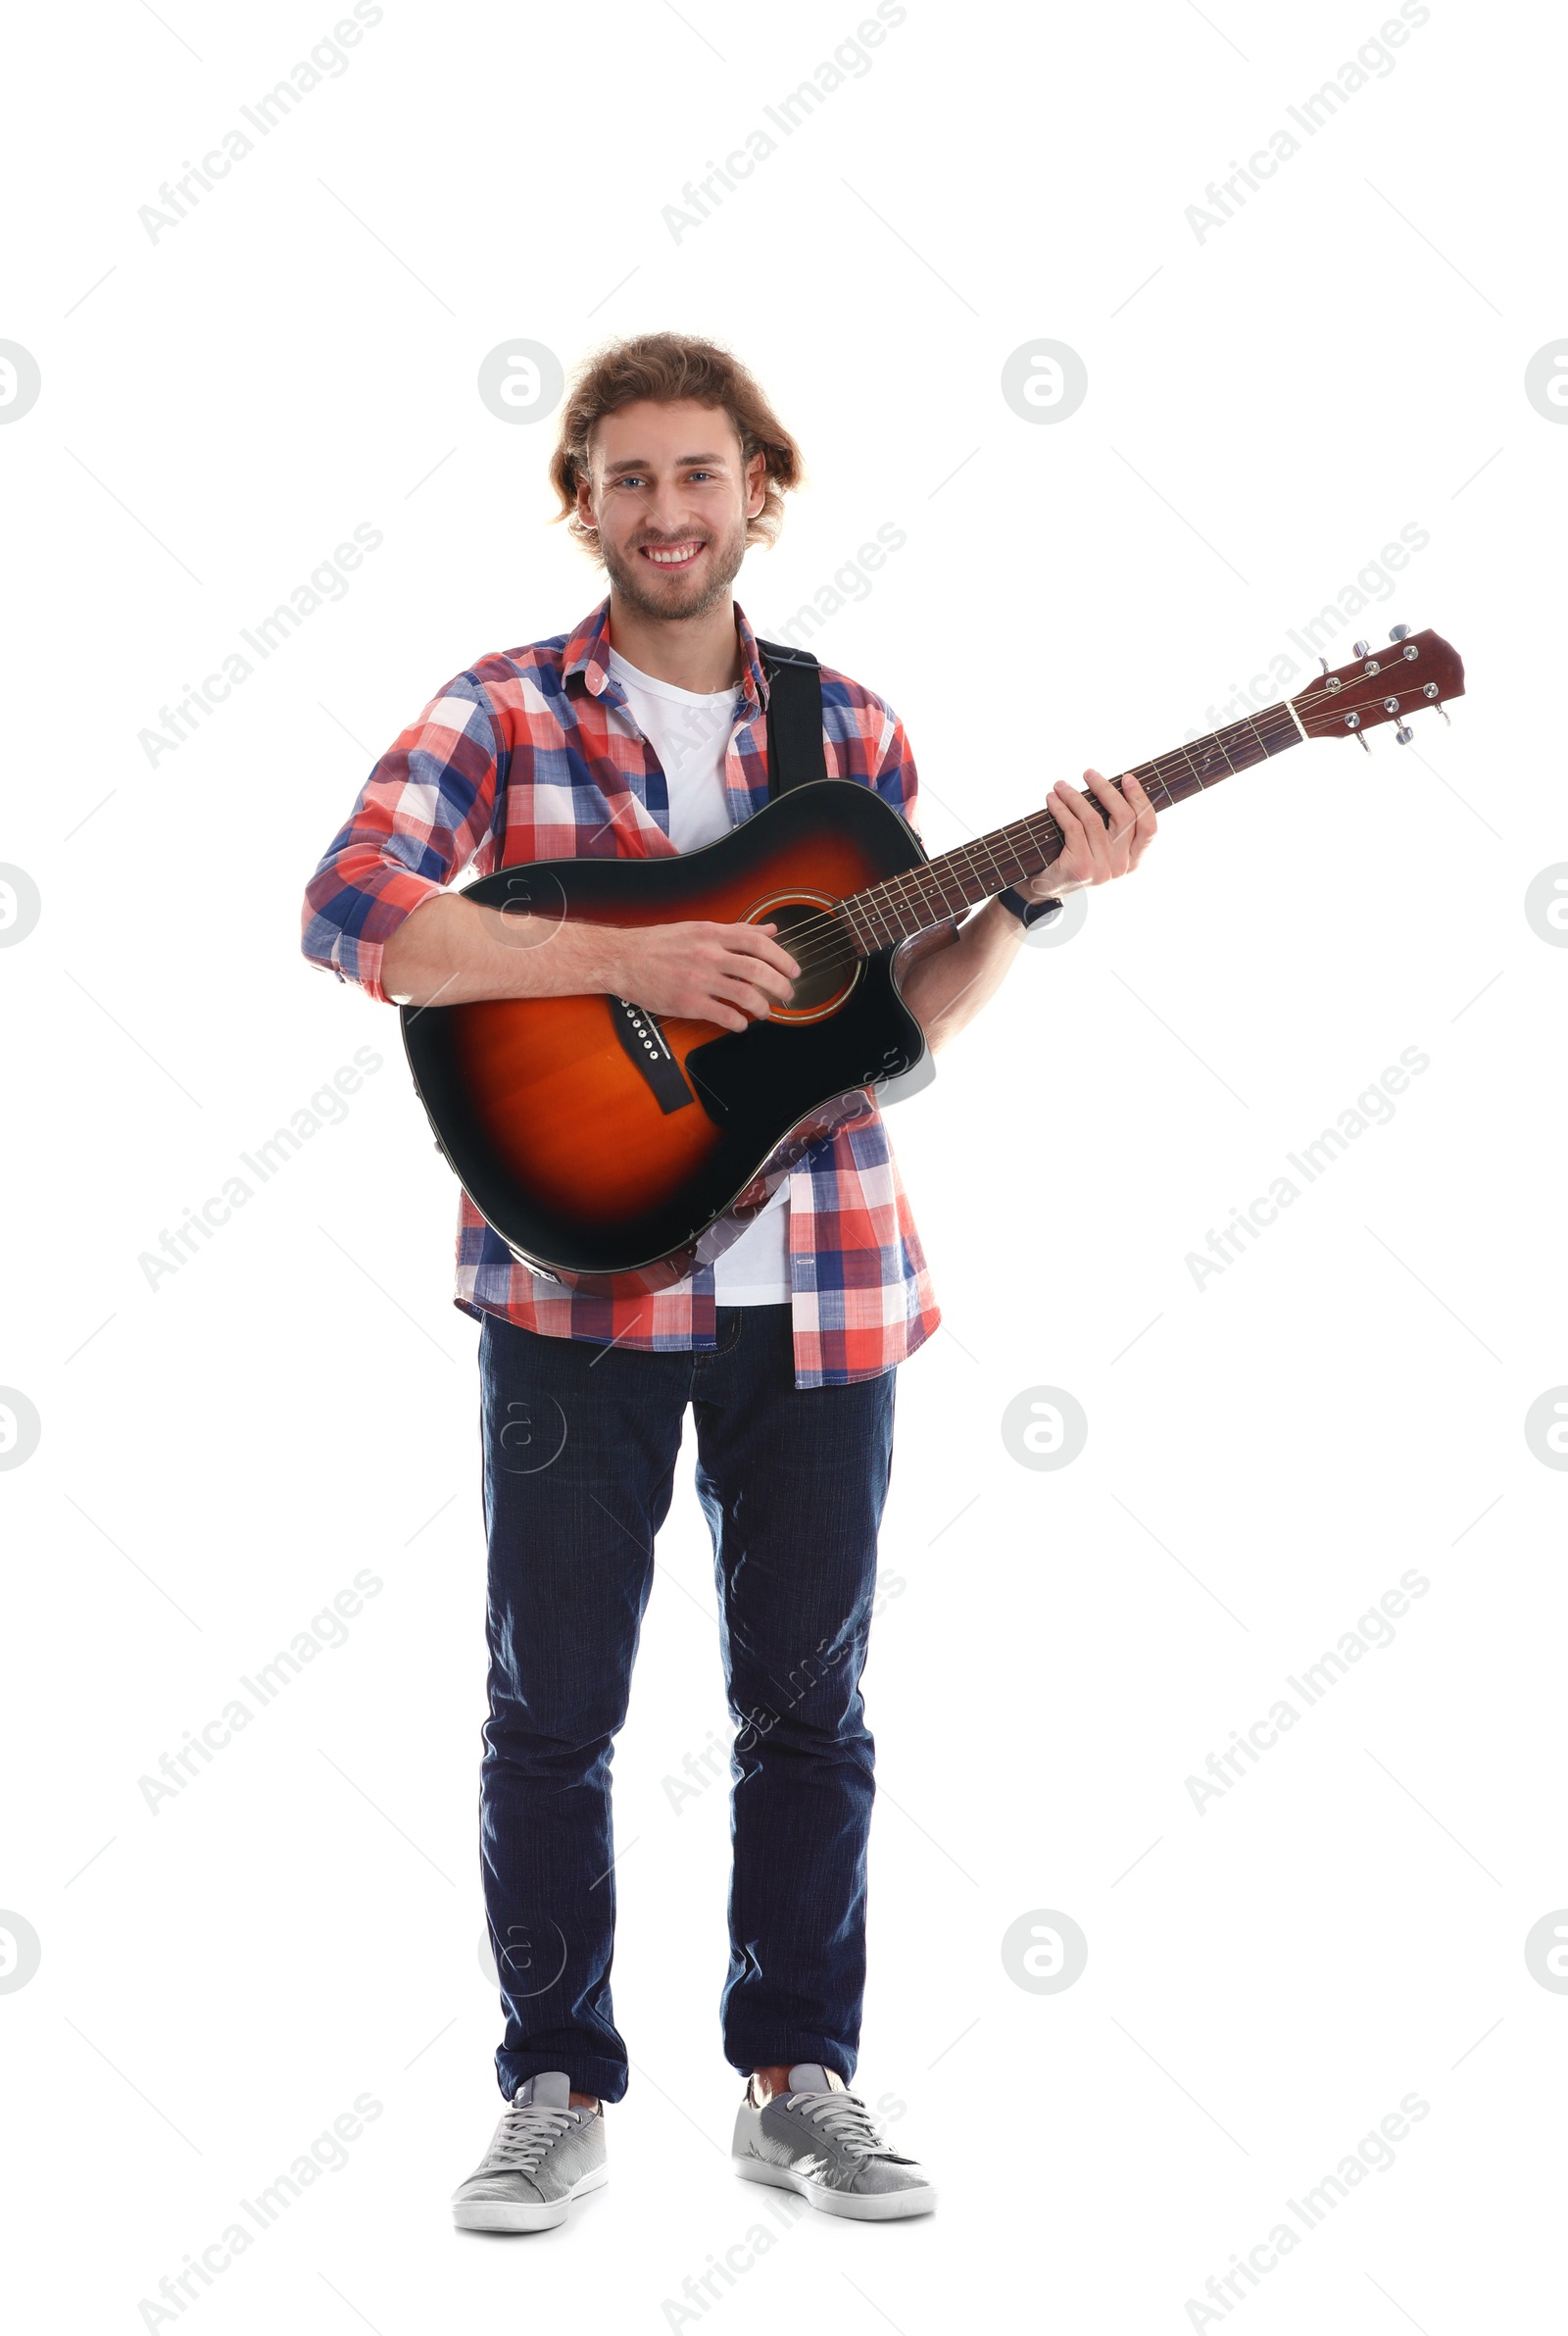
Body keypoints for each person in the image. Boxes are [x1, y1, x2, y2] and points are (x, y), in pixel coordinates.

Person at [300, 331, 1155, 2234]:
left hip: (826, 1287)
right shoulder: (500, 712)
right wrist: (639, 964)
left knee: (808, 1708)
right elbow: (350, 913)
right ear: (583, 501)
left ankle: (797, 2074)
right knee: (553, 1705)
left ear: (757, 487)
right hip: (570, 1282)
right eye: (629, 478)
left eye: (700, 475)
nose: (667, 511)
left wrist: (1024, 901)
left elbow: (885, 1036)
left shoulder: (847, 737)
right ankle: (550, 2080)